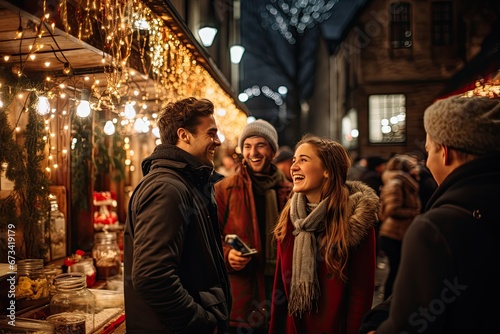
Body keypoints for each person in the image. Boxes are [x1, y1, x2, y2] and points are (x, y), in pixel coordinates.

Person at [362, 95, 500, 333]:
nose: (426, 162)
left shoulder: (437, 229)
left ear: (445, 152)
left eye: (429, 151)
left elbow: (411, 324)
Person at [124, 97, 231, 333]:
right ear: (184, 135)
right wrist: (200, 322)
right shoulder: (167, 188)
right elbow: (152, 276)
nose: (218, 141)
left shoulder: (185, 182)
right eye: (211, 133)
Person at [269, 134, 380, 334]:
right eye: (294, 160)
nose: (293, 167)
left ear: (327, 170)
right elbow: (280, 288)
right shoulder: (290, 217)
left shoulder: (355, 219)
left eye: (303, 160)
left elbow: (361, 295)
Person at [215, 119, 292, 333]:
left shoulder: (290, 192)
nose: (253, 152)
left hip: (280, 288)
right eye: (247, 146)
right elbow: (208, 239)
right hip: (242, 296)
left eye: (261, 145)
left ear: (273, 151)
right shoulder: (224, 189)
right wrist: (228, 254)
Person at [378, 154, 422, 299]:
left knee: (399, 270)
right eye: (413, 168)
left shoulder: (406, 183)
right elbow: (392, 209)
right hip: (393, 234)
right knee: (396, 270)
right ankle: (388, 304)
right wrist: (414, 213)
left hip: (400, 232)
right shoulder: (396, 183)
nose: (417, 171)